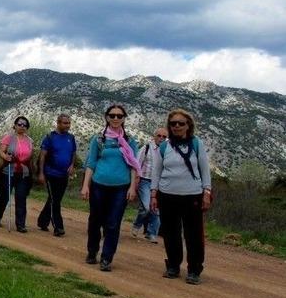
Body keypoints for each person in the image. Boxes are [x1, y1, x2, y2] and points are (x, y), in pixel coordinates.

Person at [151, 109, 212, 285]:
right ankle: (173, 265)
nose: (177, 126)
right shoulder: (164, 146)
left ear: (188, 125)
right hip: (167, 195)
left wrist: (206, 192)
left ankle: (194, 269)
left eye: (181, 123)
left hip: (192, 195)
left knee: (193, 235)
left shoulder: (196, 144)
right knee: (171, 233)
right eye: (173, 123)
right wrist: (154, 194)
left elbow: (204, 169)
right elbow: (157, 171)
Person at [81, 104, 139, 272]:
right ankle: (92, 251)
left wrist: (132, 187)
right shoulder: (98, 139)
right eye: (112, 115)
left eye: (119, 116)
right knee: (95, 221)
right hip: (99, 185)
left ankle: (106, 258)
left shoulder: (129, 141)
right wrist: (86, 185)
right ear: (106, 117)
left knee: (113, 224)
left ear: (123, 118)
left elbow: (134, 165)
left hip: (121, 187)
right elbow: (91, 163)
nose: (115, 118)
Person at [0, 116, 36, 232]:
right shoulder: (8, 138)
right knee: (4, 196)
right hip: (8, 171)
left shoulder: (30, 141)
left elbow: (31, 156)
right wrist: (6, 156)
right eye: (20, 124)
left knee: (21, 197)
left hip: (23, 173)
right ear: (15, 125)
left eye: (24, 125)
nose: (22, 126)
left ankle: (20, 224)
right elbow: (1, 151)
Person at [37, 114, 77, 237]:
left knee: (55, 199)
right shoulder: (49, 137)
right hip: (50, 173)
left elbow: (73, 152)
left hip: (63, 175)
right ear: (58, 123)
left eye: (69, 123)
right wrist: (41, 173)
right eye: (65, 123)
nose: (68, 126)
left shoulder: (71, 137)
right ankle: (58, 227)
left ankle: (42, 221)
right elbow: (42, 156)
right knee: (55, 201)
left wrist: (72, 165)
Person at [131, 128, 168, 243]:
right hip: (145, 181)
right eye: (159, 135)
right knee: (146, 207)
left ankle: (151, 233)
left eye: (164, 137)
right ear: (154, 136)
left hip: (159, 184)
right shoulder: (146, 148)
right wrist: (135, 180)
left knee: (156, 209)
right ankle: (137, 225)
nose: (161, 138)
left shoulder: (167, 151)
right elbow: (137, 164)